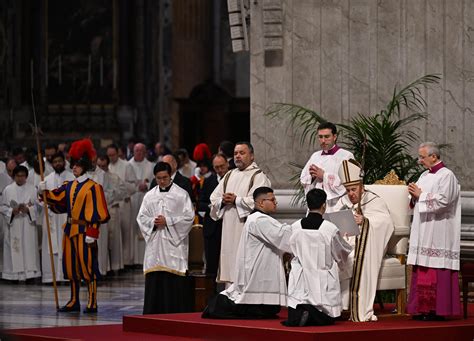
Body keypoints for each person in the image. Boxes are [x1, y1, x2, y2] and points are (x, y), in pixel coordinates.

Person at [39, 138, 110, 313]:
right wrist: (44, 192)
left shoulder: (94, 187)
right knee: (71, 268)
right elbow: (57, 198)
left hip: (85, 231)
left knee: (87, 267)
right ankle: (74, 300)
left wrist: (92, 233)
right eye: (73, 165)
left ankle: (92, 301)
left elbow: (97, 212)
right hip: (70, 230)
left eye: (77, 165)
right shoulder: (69, 185)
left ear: (84, 166)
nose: (73, 168)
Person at [203, 186, 292, 319]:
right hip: (257, 271)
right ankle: (216, 306)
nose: (276, 202)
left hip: (259, 267)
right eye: (272, 199)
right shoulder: (259, 220)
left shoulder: (258, 218)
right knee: (253, 307)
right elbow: (282, 236)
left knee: (266, 309)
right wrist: (304, 226)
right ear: (261, 202)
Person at [334, 159, 394, 322]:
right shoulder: (342, 202)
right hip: (345, 244)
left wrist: (366, 221)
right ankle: (336, 307)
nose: (351, 194)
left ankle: (355, 307)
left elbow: (386, 223)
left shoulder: (374, 200)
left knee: (354, 258)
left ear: (361, 186)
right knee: (331, 260)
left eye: (354, 189)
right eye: (348, 190)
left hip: (367, 245)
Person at [407, 142, 461, 321]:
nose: (420, 161)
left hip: (439, 229)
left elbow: (444, 201)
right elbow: (417, 197)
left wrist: (420, 195)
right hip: (423, 229)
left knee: (436, 269)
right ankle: (421, 309)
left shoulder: (447, 176)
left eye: (422, 157)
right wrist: (413, 196)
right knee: (423, 267)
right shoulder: (424, 175)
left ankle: (437, 310)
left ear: (434, 157)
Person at [284, 188, 352, 327]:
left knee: (300, 301)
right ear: (324, 205)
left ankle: (303, 313)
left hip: (301, 274)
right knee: (327, 318)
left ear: (308, 205)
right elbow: (340, 253)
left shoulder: (295, 226)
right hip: (322, 275)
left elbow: (290, 249)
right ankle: (311, 315)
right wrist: (345, 242)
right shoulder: (329, 228)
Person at [209, 142, 271, 285]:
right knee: (230, 268)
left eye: (242, 153)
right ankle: (231, 301)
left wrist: (236, 200)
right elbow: (213, 199)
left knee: (246, 267)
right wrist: (223, 201)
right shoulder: (229, 175)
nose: (237, 156)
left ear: (252, 156)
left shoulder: (258, 176)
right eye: (236, 153)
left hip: (247, 228)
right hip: (228, 228)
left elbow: (261, 202)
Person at [137, 162, 195, 314]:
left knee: (173, 284)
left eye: (165, 177)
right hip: (155, 247)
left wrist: (168, 221)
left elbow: (189, 218)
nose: (162, 181)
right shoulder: (149, 196)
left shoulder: (181, 195)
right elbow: (141, 217)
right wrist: (153, 223)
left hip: (173, 247)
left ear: (171, 176)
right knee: (155, 283)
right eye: (158, 178)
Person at [300, 122, 354, 212]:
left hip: (336, 205)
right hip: (316, 206)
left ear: (334, 137)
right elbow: (303, 180)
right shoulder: (315, 156)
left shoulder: (346, 156)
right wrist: (312, 177)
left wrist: (324, 176)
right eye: (320, 137)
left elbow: (349, 183)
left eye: (327, 136)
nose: (323, 140)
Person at [1, 165, 41, 281]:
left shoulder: (33, 189)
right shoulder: (8, 190)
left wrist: (29, 210)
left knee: (28, 247)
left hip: (28, 224)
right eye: (18, 176)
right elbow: (2, 207)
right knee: (15, 248)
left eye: (23, 176)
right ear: (14, 177)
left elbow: (38, 207)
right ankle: (12, 275)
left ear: (26, 176)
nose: (20, 178)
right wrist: (11, 211)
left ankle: (30, 275)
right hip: (14, 223)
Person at [40, 152, 75, 283]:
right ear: (52, 164)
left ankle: (68, 275)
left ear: (64, 162)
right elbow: (41, 200)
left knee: (66, 245)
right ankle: (52, 277)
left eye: (60, 161)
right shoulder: (47, 179)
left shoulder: (72, 178)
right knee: (52, 246)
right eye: (55, 162)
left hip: (66, 217)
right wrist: (41, 192)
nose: (58, 164)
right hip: (51, 218)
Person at [107, 144, 138, 267]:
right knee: (114, 235)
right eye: (109, 155)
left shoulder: (126, 165)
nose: (111, 158)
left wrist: (120, 187)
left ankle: (126, 261)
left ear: (118, 153)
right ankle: (116, 262)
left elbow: (133, 186)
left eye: (113, 155)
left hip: (124, 203)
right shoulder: (106, 167)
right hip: (112, 205)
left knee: (126, 233)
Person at [197, 154, 229, 276]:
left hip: (228, 226)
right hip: (212, 228)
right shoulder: (208, 181)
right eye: (216, 168)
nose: (220, 170)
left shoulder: (233, 179)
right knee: (211, 264)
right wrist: (213, 205)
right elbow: (200, 203)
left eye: (222, 166)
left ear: (227, 164)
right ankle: (211, 293)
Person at [97, 155, 128, 273]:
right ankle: (105, 266)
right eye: (99, 166)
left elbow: (122, 192)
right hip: (100, 212)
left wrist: (112, 195)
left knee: (113, 241)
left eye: (103, 166)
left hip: (112, 210)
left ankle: (114, 266)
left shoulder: (114, 178)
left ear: (107, 165)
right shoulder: (95, 178)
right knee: (102, 242)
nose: (101, 168)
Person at [129, 143, 154, 266]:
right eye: (136, 150)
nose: (138, 153)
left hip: (146, 199)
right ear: (133, 151)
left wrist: (147, 185)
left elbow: (155, 181)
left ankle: (145, 259)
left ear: (145, 152)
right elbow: (124, 183)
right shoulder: (128, 165)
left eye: (141, 151)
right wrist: (136, 186)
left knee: (145, 227)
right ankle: (132, 260)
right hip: (133, 200)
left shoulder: (151, 166)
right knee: (132, 228)